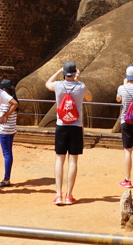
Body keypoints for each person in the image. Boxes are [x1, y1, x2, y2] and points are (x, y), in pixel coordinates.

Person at [46, 61, 92, 205]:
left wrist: (59, 71)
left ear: (65, 73)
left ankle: (58, 195)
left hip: (61, 125)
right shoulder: (81, 87)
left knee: (59, 159)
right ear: (75, 73)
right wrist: (79, 80)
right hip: (76, 126)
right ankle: (69, 195)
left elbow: (48, 83)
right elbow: (90, 98)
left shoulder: (58, 85)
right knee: (73, 161)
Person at [0, 79, 19, 189]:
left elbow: (2, 115)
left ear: (4, 89)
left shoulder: (6, 101)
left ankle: (6, 178)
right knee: (8, 153)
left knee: (6, 154)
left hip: (4, 130)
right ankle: (7, 177)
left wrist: (4, 116)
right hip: (11, 129)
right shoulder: (13, 99)